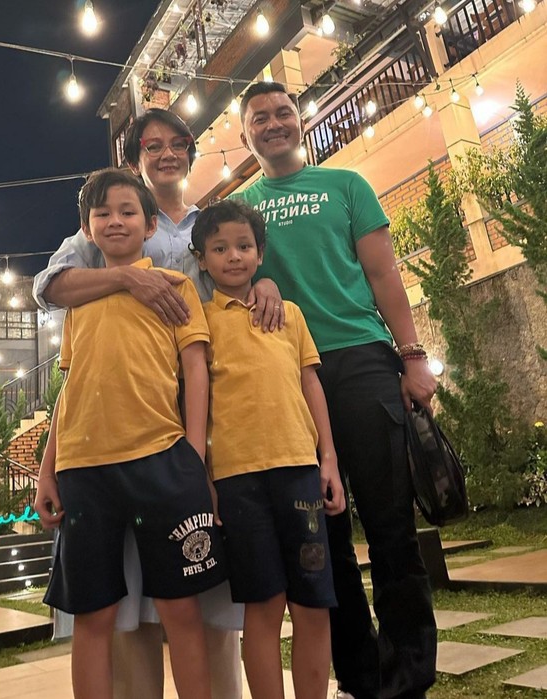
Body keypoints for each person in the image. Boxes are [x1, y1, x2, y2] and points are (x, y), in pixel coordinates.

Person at [33, 108, 283, 699]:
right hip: (97, 449)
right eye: (153, 145)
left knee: (196, 598)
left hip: (178, 439)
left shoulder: (211, 221)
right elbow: (52, 294)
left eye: (178, 143)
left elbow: (236, 284)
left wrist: (264, 281)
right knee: (112, 611)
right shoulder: (92, 258)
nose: (167, 153)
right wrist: (49, 466)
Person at [234, 81, 438, 699]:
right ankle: (360, 672)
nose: (274, 123)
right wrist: (259, 285)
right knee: (324, 532)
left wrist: (412, 356)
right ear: (244, 134)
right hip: (291, 374)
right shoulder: (242, 206)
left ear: (300, 120)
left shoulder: (347, 185)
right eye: (260, 118)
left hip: (362, 359)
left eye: (283, 112)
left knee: (390, 522)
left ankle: (410, 671)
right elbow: (233, 272)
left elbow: (383, 274)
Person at [36, 168, 225, 699]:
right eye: (103, 214)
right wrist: (48, 469)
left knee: (180, 609)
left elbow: (195, 370)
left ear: (150, 225)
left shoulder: (176, 287)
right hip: (83, 470)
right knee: (93, 615)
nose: (115, 221)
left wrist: (194, 457)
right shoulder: (79, 301)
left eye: (127, 212)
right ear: (87, 229)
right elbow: (70, 386)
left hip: (162, 459)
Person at [190, 199, 346, 699]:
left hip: (300, 471)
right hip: (237, 482)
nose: (233, 256)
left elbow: (310, 384)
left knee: (313, 604)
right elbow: (197, 404)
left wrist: (328, 459)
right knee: (263, 606)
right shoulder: (200, 324)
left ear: (260, 254)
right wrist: (205, 479)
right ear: (201, 260)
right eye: (219, 248)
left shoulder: (289, 315)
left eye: (244, 246)